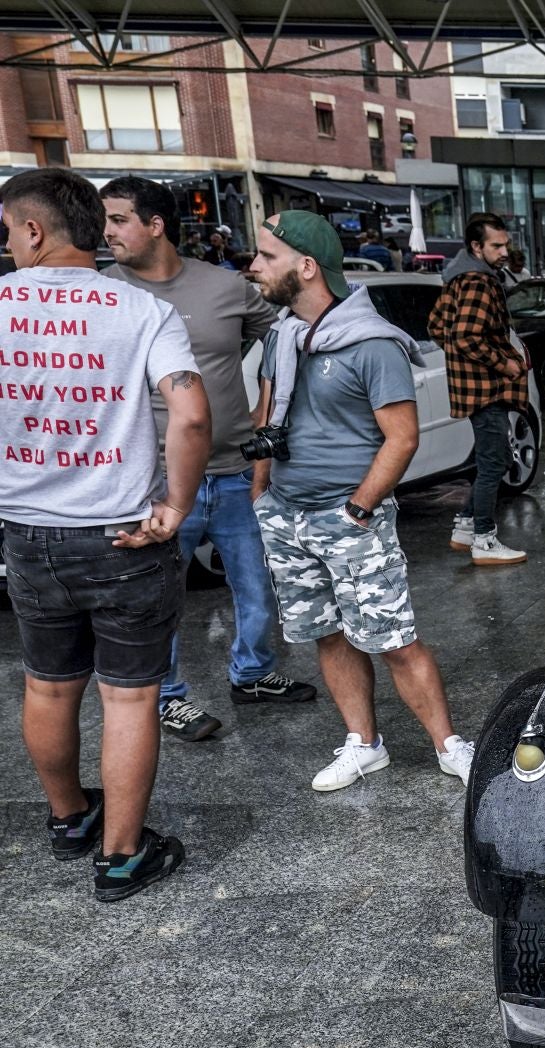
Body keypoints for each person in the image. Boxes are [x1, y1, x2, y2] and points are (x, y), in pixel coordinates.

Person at [0, 168, 212, 901]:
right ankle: (121, 857)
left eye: (6, 231)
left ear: (32, 230)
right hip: (124, 536)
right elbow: (188, 414)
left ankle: (69, 819)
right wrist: (176, 509)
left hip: (28, 533)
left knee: (49, 687)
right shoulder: (141, 310)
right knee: (127, 698)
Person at [243, 210, 475, 792]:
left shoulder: (372, 345)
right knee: (327, 633)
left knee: (394, 638)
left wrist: (359, 509)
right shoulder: (282, 337)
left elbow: (402, 438)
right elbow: (267, 417)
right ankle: (363, 745)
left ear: (305, 266)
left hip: (349, 518)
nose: (253, 267)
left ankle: (450, 748)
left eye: (265, 257)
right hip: (287, 515)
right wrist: (261, 497)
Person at [100, 176, 318, 743]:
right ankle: (167, 697)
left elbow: (282, 338)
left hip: (236, 469)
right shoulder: (105, 292)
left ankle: (253, 674)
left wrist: (270, 414)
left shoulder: (226, 287)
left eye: (119, 219)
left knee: (257, 585)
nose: (107, 231)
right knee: (158, 597)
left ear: (155, 224)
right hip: (156, 480)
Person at [431, 213, 530, 566]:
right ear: (476, 247)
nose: (505, 252)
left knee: (496, 457)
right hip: (486, 389)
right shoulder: (477, 281)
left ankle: (466, 527)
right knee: (492, 464)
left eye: (506, 244)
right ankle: (484, 541)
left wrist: (463, 363)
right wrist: (503, 363)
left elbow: (437, 327)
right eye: (496, 246)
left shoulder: (458, 280)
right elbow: (464, 335)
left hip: (474, 387)